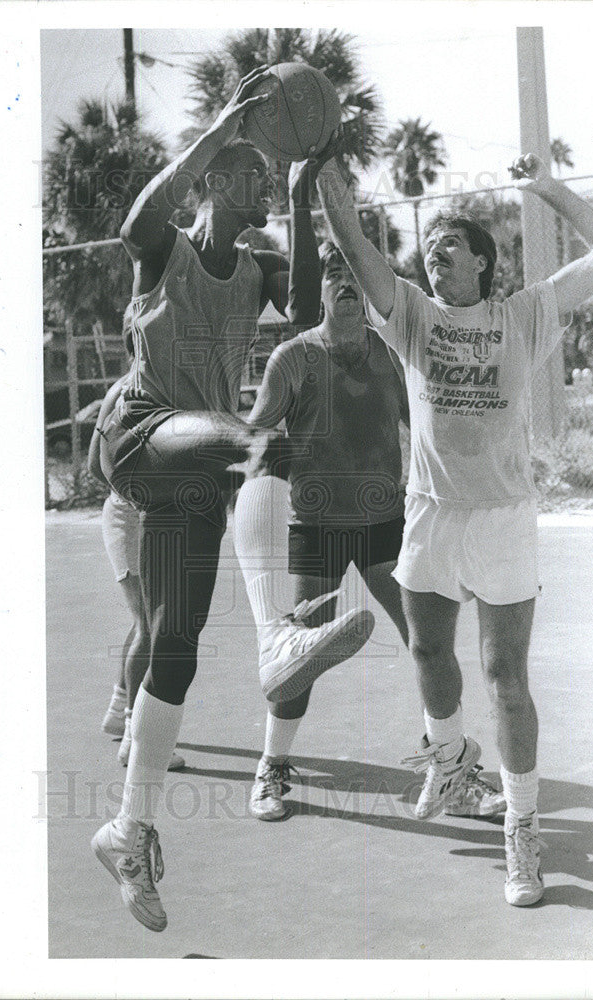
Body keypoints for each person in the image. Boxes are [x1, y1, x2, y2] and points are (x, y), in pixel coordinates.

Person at [90, 67, 373, 933]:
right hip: (144, 434)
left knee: (175, 643)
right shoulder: (165, 249)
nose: (257, 180)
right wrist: (221, 130)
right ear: (212, 179)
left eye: (262, 173)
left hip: (196, 476)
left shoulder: (251, 268)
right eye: (246, 173)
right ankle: (278, 636)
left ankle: (127, 828)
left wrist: (294, 186)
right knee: (264, 440)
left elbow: (296, 305)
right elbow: (137, 218)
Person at [316, 149, 593, 906]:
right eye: (430, 249)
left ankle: (521, 827)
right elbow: (358, 250)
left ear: (483, 265)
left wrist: (545, 188)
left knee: (505, 679)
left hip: (501, 518)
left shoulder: (521, 315)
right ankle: (451, 759)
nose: (435, 253)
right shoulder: (413, 317)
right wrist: (327, 183)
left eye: (450, 246)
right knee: (425, 647)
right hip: (427, 509)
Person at [246, 240, 506, 822]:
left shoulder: (392, 355)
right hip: (315, 526)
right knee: (299, 655)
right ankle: (272, 765)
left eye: (354, 274)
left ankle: (452, 771)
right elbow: (255, 439)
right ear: (316, 288)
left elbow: (431, 425)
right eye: (333, 272)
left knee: (426, 643)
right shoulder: (293, 357)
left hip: (388, 522)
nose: (346, 282)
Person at [87, 323, 185, 771]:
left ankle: (116, 709)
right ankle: (133, 734)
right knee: (151, 625)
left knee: (144, 620)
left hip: (151, 518)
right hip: (129, 517)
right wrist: (133, 490)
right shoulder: (124, 392)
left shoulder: (167, 389)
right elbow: (96, 464)